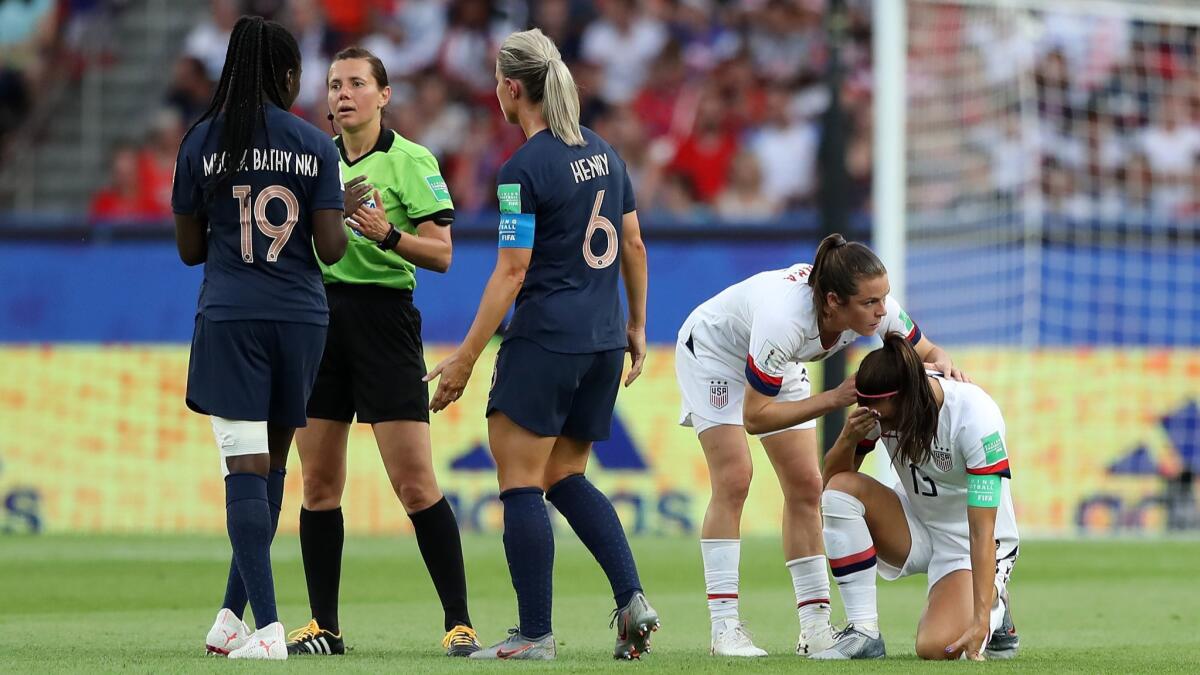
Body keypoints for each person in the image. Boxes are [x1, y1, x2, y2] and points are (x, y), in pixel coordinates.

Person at [425, 28, 656, 661]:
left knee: (521, 482)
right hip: (604, 342)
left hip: (546, 340)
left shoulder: (520, 170)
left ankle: (534, 634)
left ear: (511, 88)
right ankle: (632, 598)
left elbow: (512, 269)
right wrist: (637, 326)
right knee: (566, 474)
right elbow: (634, 243)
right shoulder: (607, 153)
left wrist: (467, 355)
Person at [675, 233, 967, 657]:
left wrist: (943, 365)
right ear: (833, 301)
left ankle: (815, 628)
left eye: (884, 298)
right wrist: (835, 398)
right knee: (735, 478)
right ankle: (725, 630)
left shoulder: (874, 310)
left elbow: (930, 351)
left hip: (778, 362)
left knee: (807, 487)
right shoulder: (785, 321)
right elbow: (755, 417)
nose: (882, 310)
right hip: (715, 354)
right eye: (871, 303)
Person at [283, 46, 480, 658]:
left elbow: (443, 253)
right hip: (319, 319)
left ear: (384, 95)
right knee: (318, 484)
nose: (343, 94)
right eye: (334, 84)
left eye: (357, 83)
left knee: (416, 484)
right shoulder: (312, 160)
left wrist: (386, 234)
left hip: (384, 321)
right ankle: (326, 627)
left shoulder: (411, 160)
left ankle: (459, 622)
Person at [172, 15, 347, 661]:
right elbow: (330, 248)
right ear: (289, 75)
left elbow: (191, 249)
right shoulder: (314, 144)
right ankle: (230, 618)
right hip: (302, 317)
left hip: (233, 316)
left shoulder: (200, 141)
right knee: (271, 466)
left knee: (243, 468)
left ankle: (269, 629)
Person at [812, 334, 1019, 661]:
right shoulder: (881, 407)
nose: (881, 424)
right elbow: (831, 482)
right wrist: (848, 438)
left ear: (908, 398)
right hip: (917, 522)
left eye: (885, 417)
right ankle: (863, 632)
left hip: (970, 543)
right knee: (840, 493)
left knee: (937, 648)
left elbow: (982, 531)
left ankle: (994, 606)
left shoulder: (976, 418)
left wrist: (980, 621)